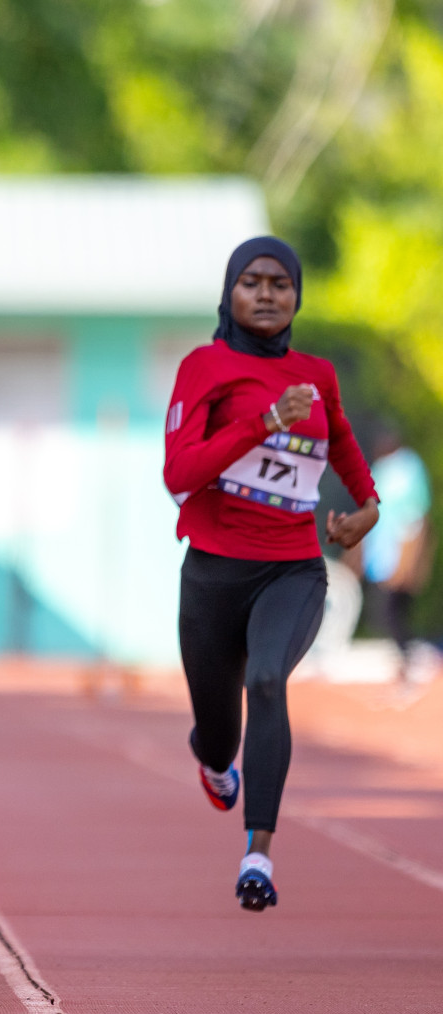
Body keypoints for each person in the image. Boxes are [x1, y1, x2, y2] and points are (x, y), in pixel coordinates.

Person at [163, 236, 378, 912]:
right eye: (251, 282)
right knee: (220, 732)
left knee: (266, 679)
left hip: (291, 569)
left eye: (279, 283)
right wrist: (262, 422)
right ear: (230, 293)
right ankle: (210, 756)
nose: (265, 293)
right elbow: (179, 475)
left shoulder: (317, 374)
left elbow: (339, 437)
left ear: (297, 297)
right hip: (213, 575)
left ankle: (258, 855)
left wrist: (367, 505)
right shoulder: (204, 367)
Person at [362, 423, 433, 684]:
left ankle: (408, 662)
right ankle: (405, 661)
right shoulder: (381, 469)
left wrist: (412, 560)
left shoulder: (409, 468)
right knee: (387, 611)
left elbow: (416, 517)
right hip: (382, 555)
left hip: (402, 554)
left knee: (395, 611)